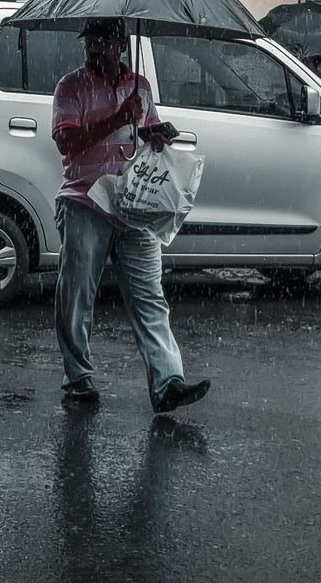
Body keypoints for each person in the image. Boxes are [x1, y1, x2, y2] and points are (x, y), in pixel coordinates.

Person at [51, 20, 211, 410]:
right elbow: (66, 142)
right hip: (86, 199)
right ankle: (79, 380)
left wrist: (155, 131)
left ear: (121, 44)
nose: (95, 49)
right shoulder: (69, 88)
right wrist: (118, 118)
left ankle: (168, 382)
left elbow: (145, 128)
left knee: (149, 297)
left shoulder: (141, 86)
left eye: (103, 42)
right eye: (90, 42)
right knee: (77, 295)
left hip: (135, 204)